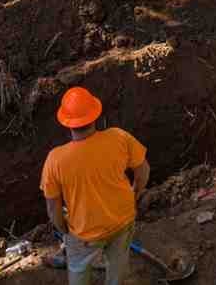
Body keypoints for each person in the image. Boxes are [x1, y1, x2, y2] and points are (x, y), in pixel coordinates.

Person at [40, 87, 151, 285]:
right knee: (118, 267)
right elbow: (143, 171)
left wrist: (63, 228)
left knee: (78, 269)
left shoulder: (55, 159)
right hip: (123, 220)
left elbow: (52, 206)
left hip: (84, 232)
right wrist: (135, 193)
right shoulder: (118, 137)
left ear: (66, 122)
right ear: (95, 115)